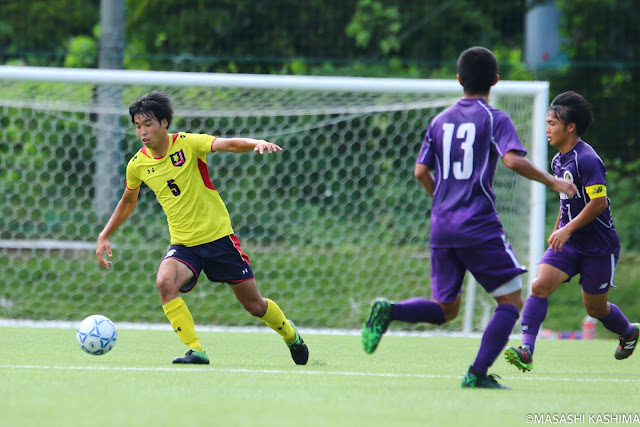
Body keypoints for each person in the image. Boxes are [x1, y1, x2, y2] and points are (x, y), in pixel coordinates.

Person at [360, 46, 578, 389]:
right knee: (511, 301)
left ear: (459, 79)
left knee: (446, 309)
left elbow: (420, 172)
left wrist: (443, 201)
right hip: (477, 224)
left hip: (442, 225)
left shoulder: (439, 121)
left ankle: (390, 310)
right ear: (495, 80)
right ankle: (476, 374)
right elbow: (511, 160)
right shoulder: (494, 118)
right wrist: (553, 181)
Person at [96, 91, 309, 366]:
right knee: (164, 283)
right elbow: (128, 200)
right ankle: (196, 350)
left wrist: (255, 142)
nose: (143, 132)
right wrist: (105, 234)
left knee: (255, 306)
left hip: (219, 239)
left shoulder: (188, 144)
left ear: (164, 123)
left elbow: (229, 145)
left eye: (148, 124)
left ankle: (291, 335)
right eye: (137, 126)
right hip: (184, 245)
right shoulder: (137, 164)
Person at [504, 91, 638, 372]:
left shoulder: (587, 159)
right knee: (539, 286)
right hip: (570, 242)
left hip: (599, 246)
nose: (547, 129)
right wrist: (558, 230)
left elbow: (599, 203)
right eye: (547, 123)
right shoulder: (558, 160)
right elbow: (566, 201)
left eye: (552, 123)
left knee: (595, 309)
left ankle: (628, 332)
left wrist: (566, 228)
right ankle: (527, 350)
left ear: (570, 127)